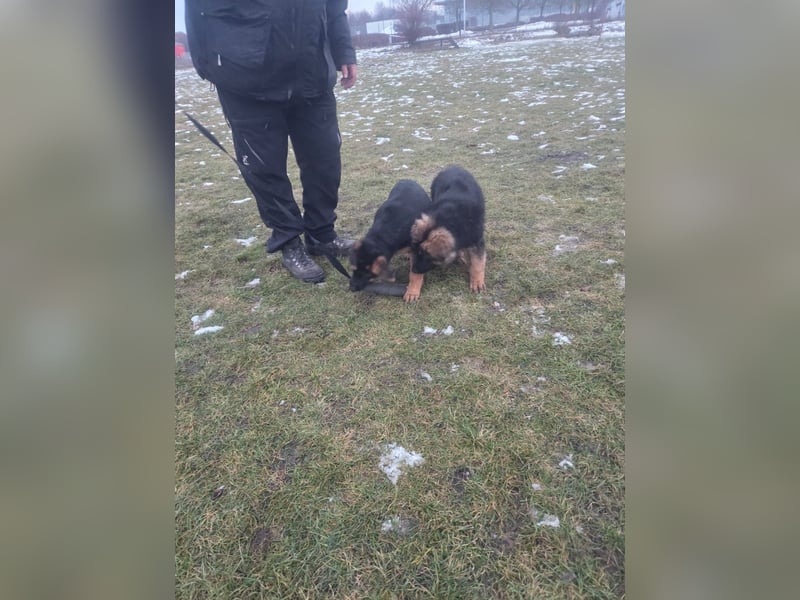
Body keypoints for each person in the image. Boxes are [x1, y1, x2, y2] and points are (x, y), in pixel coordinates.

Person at [185, 1, 358, 283]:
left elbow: (335, 6)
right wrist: (207, 64)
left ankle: (321, 234)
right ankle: (289, 240)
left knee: (325, 159)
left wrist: (344, 51)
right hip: (245, 77)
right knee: (264, 168)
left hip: (312, 69)